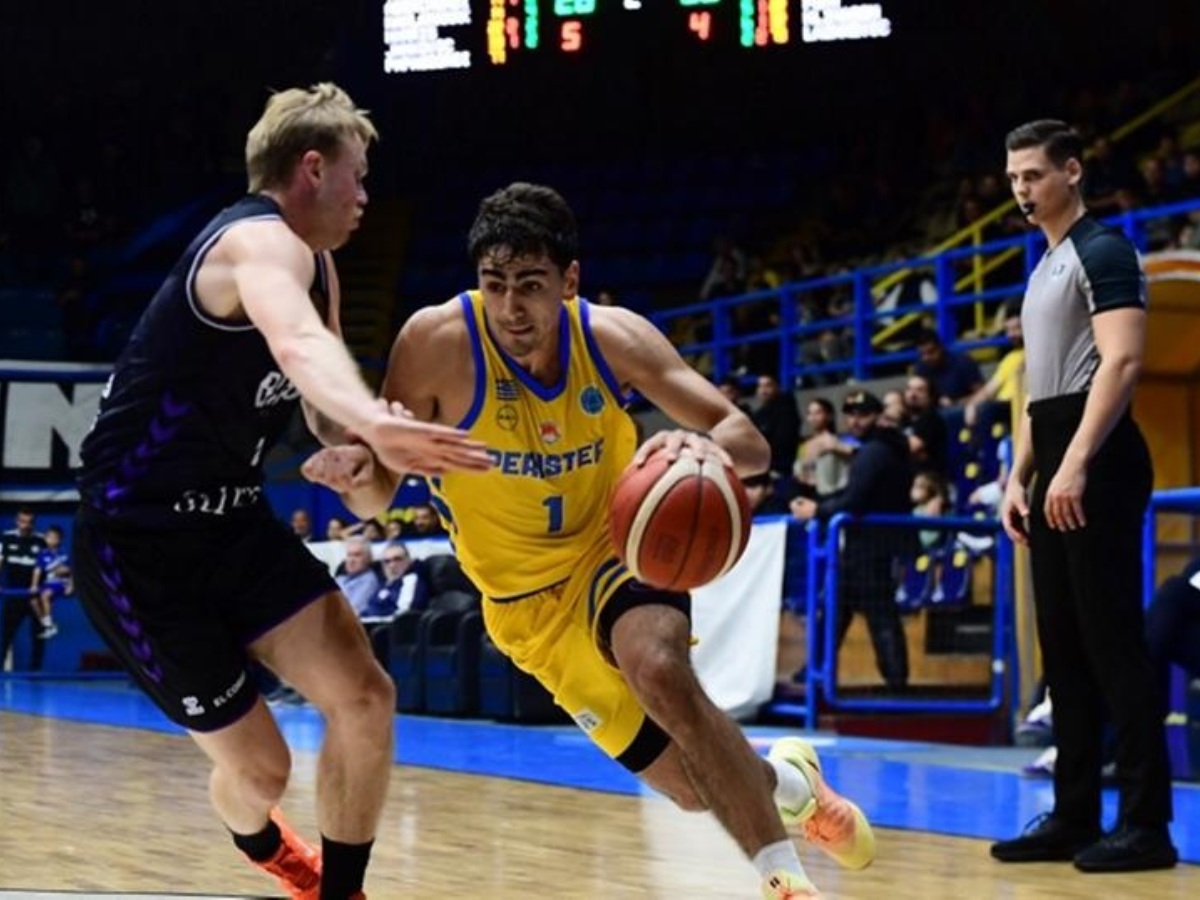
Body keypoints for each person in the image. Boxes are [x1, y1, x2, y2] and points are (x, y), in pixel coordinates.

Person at [303, 182, 876, 899]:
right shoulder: (435, 344)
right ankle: (791, 782)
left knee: (658, 666)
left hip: (616, 548)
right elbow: (380, 490)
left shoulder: (612, 337)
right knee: (692, 786)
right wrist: (356, 476)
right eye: (494, 283)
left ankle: (782, 882)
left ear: (569, 281)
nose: (511, 307)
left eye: (531, 284)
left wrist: (702, 449)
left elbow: (750, 442)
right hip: (524, 606)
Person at [70, 83, 491, 900]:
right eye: (357, 176)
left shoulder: (317, 266)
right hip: (137, 547)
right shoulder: (256, 244)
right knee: (262, 771)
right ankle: (267, 847)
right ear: (312, 168)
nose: (365, 196)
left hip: (232, 522)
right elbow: (297, 346)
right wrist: (375, 417)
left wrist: (354, 448)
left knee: (365, 696)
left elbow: (318, 401)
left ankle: (343, 893)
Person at [991, 119, 1176, 872]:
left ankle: (1146, 824)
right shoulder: (1045, 266)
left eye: (1033, 175)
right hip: (1058, 450)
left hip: (1099, 459)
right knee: (1063, 649)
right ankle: (1073, 815)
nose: (1021, 190)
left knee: (1113, 645)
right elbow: (1044, 388)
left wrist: (1073, 464)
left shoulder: (1104, 251)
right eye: (1013, 179)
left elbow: (1122, 362)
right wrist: (1020, 475)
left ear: (1071, 171)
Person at [789, 391, 915, 689]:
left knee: (878, 615)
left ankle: (896, 683)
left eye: (863, 414)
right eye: (850, 414)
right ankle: (814, 670)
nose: (855, 421)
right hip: (871, 544)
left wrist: (817, 510)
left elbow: (854, 500)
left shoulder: (874, 451)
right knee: (840, 608)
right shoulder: (883, 447)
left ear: (877, 416)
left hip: (870, 546)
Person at [0, 507, 49, 671]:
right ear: (17, 521)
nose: (25, 525)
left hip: (35, 597)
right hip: (13, 596)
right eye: (22, 521)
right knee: (6, 635)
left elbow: (48, 565)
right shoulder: (6, 538)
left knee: (39, 635)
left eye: (29, 522)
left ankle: (35, 674)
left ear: (33, 523)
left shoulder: (41, 541)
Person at [913, 328, 984, 407]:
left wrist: (955, 403)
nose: (926, 358)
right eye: (922, 354)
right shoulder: (921, 367)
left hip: (964, 408)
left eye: (931, 352)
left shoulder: (963, 362)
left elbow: (982, 393)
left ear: (940, 347)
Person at [32, 524, 71, 639]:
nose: (51, 540)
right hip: (48, 583)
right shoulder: (42, 554)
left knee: (45, 595)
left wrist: (71, 585)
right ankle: (48, 626)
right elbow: (37, 570)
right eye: (49, 537)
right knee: (33, 601)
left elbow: (73, 570)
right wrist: (34, 585)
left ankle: (49, 625)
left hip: (61, 583)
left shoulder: (64, 553)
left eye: (55, 537)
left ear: (60, 540)